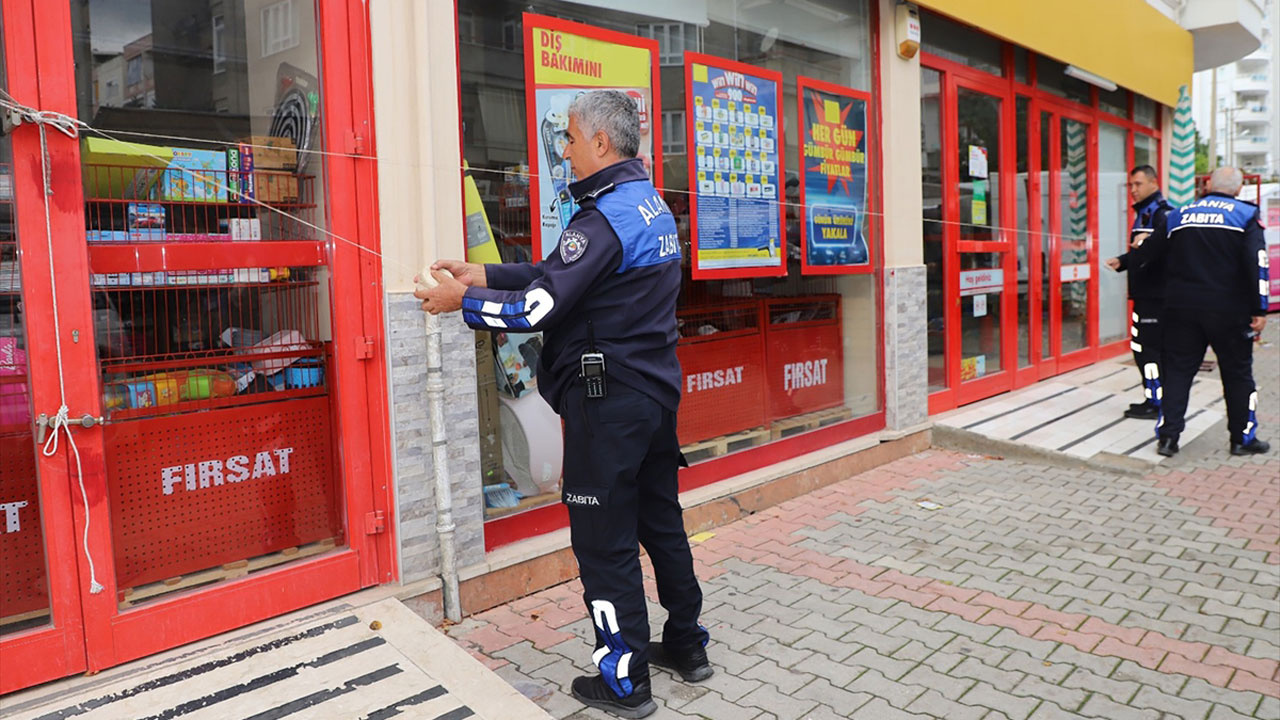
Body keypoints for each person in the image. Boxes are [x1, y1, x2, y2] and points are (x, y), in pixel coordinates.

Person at [416, 89, 710, 719]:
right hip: (655, 395)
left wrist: (458, 305)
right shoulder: (648, 204)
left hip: (609, 407)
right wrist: (483, 274)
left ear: (601, 142)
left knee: (603, 544)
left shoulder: (603, 217)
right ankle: (688, 647)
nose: (564, 150)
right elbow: (561, 273)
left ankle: (625, 682)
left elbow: (539, 307)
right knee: (661, 523)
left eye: (570, 138)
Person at [1124, 166, 1270, 457]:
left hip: (1181, 309)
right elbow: (1257, 263)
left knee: (1177, 373)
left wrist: (1132, 253)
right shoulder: (1244, 215)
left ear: (1206, 186)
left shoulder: (1179, 214)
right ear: (1238, 189)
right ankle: (1242, 439)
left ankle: (1168, 439)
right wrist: (1259, 308)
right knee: (1238, 374)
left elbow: (1149, 252)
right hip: (1229, 311)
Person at [1104, 165, 1173, 420]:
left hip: (1156, 298)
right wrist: (1123, 261)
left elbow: (1165, 249)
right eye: (1131, 185)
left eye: (1138, 184)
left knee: (1149, 350)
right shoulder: (1145, 213)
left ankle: (1157, 403)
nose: (1133, 190)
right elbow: (1143, 252)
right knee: (1144, 349)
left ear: (1154, 183)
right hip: (1145, 296)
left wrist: (1149, 240)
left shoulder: (1162, 213)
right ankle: (1154, 399)